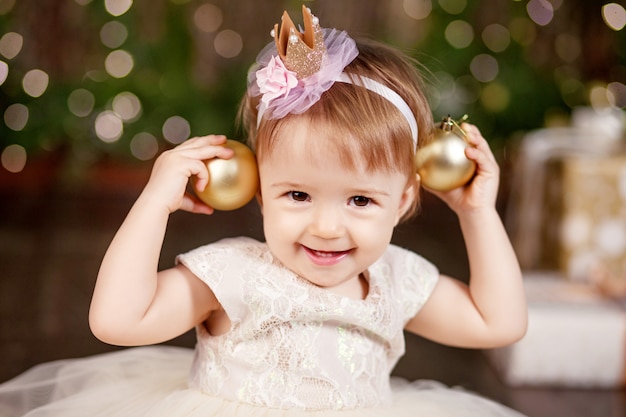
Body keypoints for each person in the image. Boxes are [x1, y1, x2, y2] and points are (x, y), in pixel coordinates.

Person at [0, 5, 527, 417]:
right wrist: (153, 203)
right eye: (297, 195)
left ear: (406, 198)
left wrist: (477, 213)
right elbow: (117, 321)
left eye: (361, 200)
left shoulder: (396, 280)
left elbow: (498, 322)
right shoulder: (234, 274)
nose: (325, 227)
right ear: (258, 189)